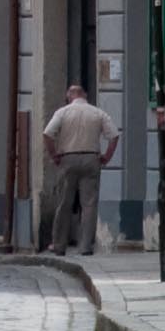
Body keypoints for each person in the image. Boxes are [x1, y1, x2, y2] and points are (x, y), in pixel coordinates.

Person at [38, 76, 117, 254]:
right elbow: (114, 135)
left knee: (64, 203)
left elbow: (47, 134)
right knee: (89, 204)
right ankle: (85, 246)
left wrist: (54, 155)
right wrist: (107, 156)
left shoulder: (63, 112)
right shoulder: (97, 112)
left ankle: (59, 245)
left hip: (68, 159)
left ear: (69, 96)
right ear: (85, 95)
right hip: (91, 159)